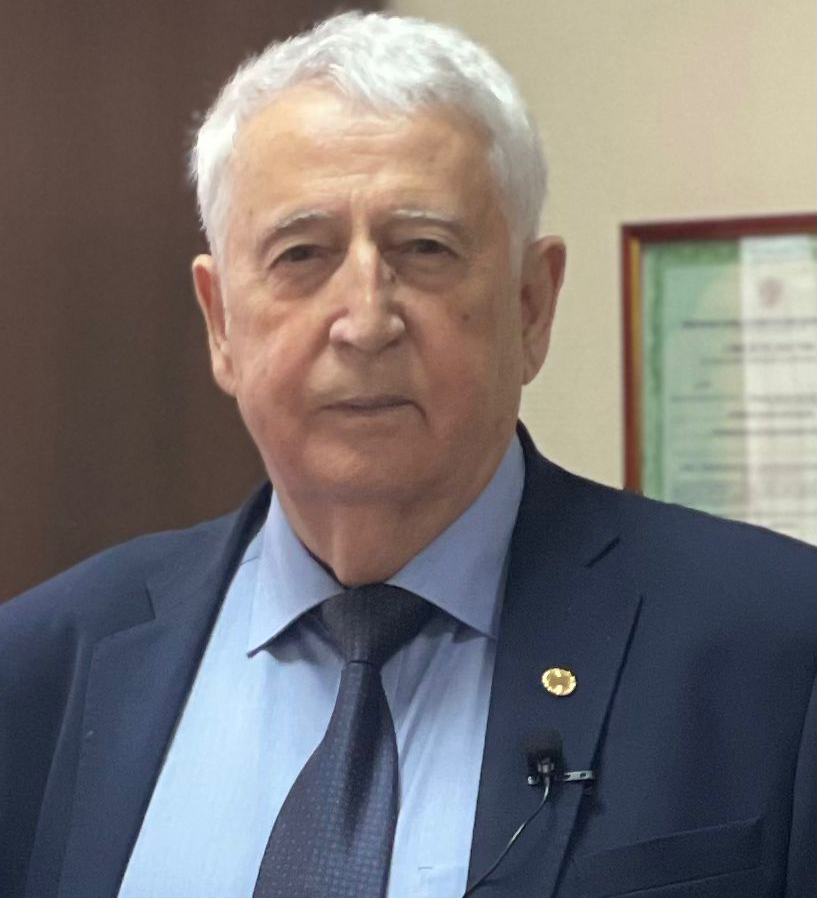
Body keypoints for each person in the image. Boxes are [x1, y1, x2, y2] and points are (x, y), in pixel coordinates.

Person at [0, 11, 813, 898]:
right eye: (300, 254)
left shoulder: (774, 647)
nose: (365, 322)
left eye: (424, 249)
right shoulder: (41, 668)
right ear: (221, 323)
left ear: (531, 305)